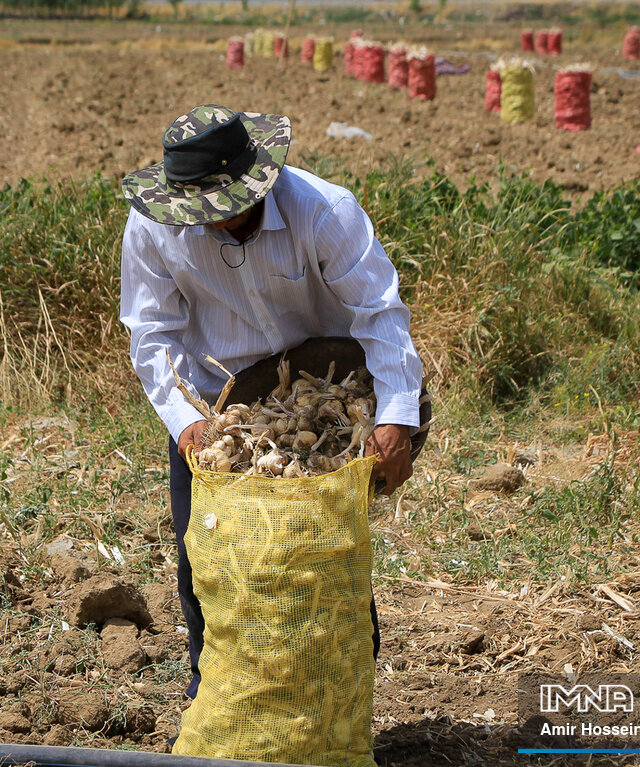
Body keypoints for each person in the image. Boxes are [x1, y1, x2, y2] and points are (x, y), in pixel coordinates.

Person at [118, 104, 423, 699]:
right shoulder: (154, 226)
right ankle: (215, 703)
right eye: (209, 217)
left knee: (325, 560)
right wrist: (186, 424)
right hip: (219, 410)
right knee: (207, 561)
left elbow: (379, 313)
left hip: (322, 401)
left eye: (235, 210)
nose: (224, 226)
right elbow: (152, 333)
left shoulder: (323, 211)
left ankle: (337, 700)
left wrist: (395, 419)